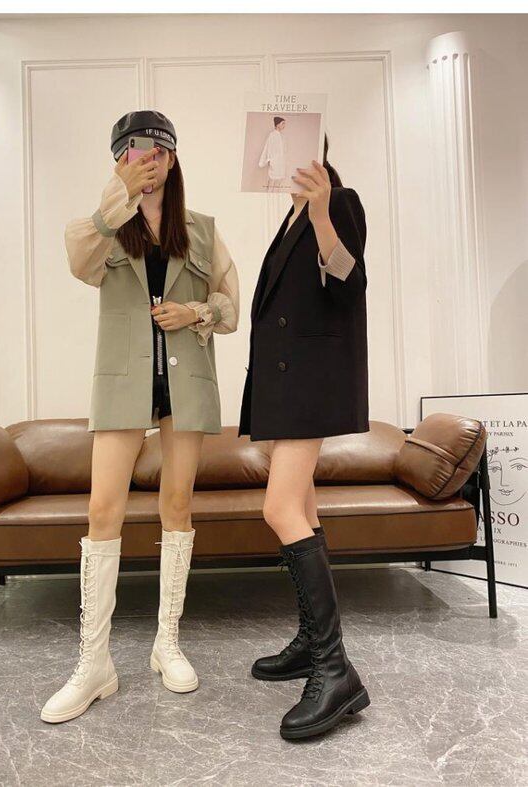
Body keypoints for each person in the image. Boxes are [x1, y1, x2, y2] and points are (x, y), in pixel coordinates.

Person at [41, 110, 240, 724]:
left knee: (176, 506)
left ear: (173, 158)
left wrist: (196, 313)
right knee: (103, 511)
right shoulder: (104, 230)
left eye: (156, 150)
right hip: (123, 384)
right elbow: (77, 260)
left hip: (186, 386)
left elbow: (232, 307)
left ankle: (166, 643)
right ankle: (93, 662)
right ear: (118, 162)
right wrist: (117, 200)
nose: (146, 160)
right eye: (131, 152)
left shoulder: (202, 231)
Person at [238, 133, 371, 740]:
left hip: (311, 383)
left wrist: (321, 213)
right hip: (284, 385)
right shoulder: (289, 218)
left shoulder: (338, 202)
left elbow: (349, 283)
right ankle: (312, 643)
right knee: (304, 510)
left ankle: (335, 669)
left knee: (279, 508)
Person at [258, 116, 287, 191]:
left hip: (280, 162)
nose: (284, 125)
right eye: (283, 123)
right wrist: (270, 160)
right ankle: (269, 197)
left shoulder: (281, 136)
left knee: (278, 184)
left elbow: (281, 151)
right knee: (271, 183)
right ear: (277, 124)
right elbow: (268, 148)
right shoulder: (272, 135)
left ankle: (275, 197)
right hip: (274, 162)